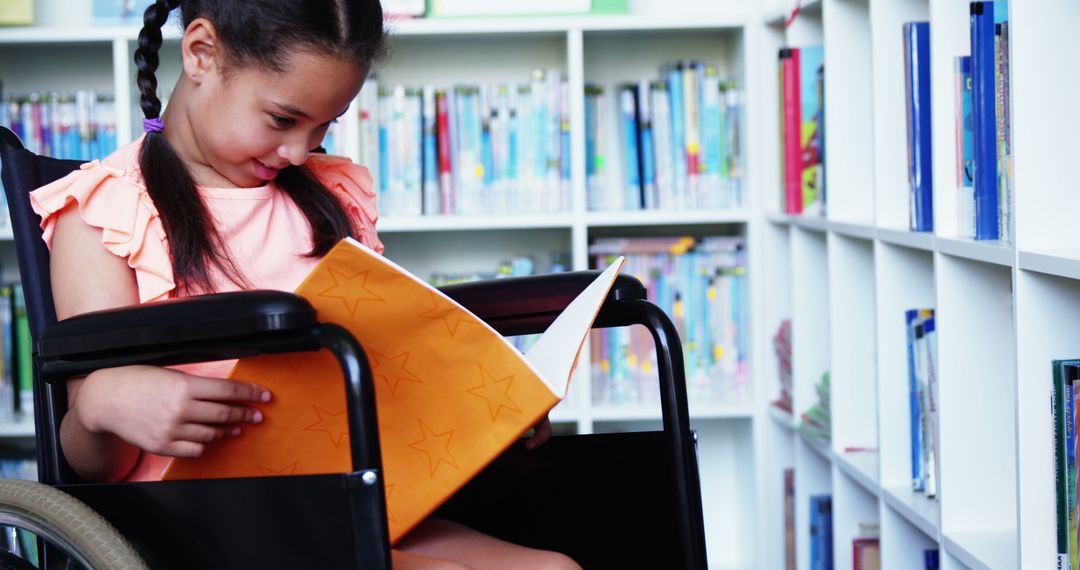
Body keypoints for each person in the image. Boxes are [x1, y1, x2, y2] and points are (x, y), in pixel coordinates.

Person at [30, 1, 579, 569]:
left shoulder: (334, 197)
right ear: (201, 54)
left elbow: (389, 364)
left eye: (324, 126)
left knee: (553, 568)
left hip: (347, 500)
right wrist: (102, 401)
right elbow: (93, 466)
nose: (299, 150)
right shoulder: (106, 214)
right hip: (195, 525)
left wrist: (486, 404)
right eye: (283, 120)